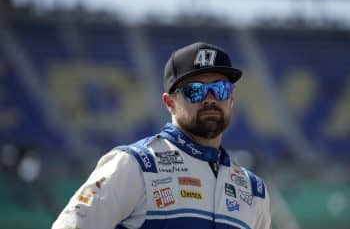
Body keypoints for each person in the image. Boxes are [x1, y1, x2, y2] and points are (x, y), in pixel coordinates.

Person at [52, 42, 271, 229]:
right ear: (170, 103)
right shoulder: (135, 165)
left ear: (231, 99)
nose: (210, 99)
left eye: (221, 89)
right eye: (195, 90)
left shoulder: (253, 190)